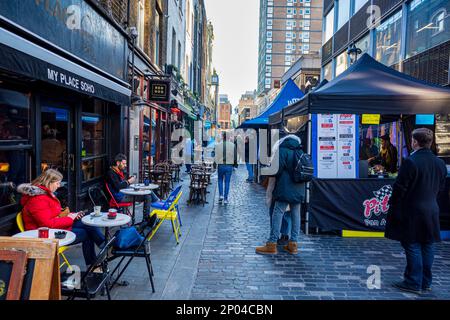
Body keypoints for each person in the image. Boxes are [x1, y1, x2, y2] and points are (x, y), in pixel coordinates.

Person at [386, 128, 447, 294]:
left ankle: (413, 281)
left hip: (412, 210)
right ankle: (425, 282)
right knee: (427, 245)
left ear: (414, 142)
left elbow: (399, 189)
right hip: (432, 209)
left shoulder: (410, 162)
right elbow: (441, 187)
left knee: (412, 245)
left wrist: (394, 207)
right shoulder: (440, 163)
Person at [18, 169, 105, 267]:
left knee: (87, 223)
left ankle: (104, 246)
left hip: (54, 228)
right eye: (57, 183)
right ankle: (101, 253)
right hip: (46, 235)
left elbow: (53, 214)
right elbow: (48, 224)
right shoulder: (38, 199)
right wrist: (70, 218)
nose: (59, 186)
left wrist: (72, 215)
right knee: (87, 233)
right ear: (48, 182)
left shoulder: (45, 194)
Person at [256, 134, 305, 255]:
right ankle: (293, 244)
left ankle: (272, 244)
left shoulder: (282, 150)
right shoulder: (300, 151)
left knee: (277, 212)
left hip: (285, 188)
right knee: (295, 214)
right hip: (299, 187)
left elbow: (276, 170)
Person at [215, 132, 237, 205]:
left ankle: (221, 195)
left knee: (220, 180)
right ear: (228, 137)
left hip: (221, 165)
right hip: (229, 165)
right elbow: (235, 156)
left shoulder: (218, 145)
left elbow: (216, 156)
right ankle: (225, 199)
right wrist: (235, 164)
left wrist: (215, 164)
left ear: (222, 137)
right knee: (227, 182)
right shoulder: (233, 145)